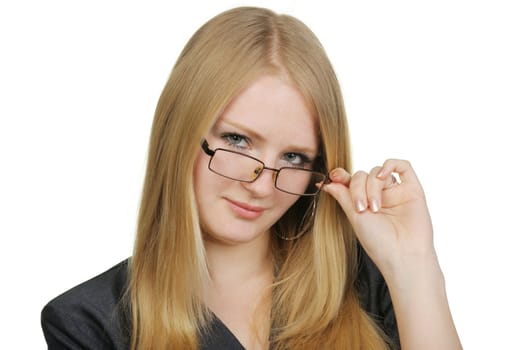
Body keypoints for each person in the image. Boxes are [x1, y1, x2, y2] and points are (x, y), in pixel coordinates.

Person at [41, 6, 462, 350]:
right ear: (180, 132)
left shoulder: (369, 282)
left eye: (295, 156)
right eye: (238, 140)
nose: (261, 185)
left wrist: (413, 266)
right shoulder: (87, 323)